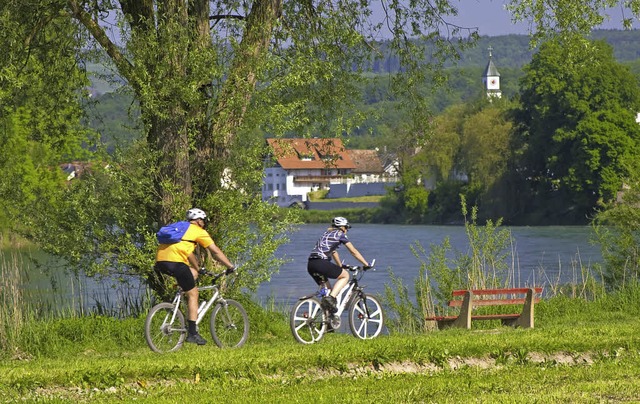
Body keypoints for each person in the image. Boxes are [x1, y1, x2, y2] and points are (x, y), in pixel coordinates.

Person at [154, 208, 235, 345]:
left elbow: (188, 253)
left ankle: (182, 301)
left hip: (161, 262)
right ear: (199, 221)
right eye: (203, 221)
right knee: (194, 293)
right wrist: (230, 266)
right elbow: (215, 251)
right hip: (176, 263)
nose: (204, 223)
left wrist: (199, 268)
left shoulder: (181, 229)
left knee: (193, 273)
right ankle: (192, 333)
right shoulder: (199, 232)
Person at [307, 216, 371, 314]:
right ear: (342, 227)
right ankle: (331, 298)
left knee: (328, 290)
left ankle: (326, 323)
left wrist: (340, 265)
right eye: (346, 227)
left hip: (311, 264)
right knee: (345, 275)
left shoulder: (326, 234)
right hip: (321, 263)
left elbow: (333, 252)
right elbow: (353, 251)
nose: (346, 230)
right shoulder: (340, 234)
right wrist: (366, 264)